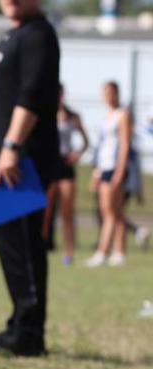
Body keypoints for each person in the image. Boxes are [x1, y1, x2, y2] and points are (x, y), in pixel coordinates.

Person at [0, 0, 59, 356]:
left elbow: (31, 96)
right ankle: (19, 324)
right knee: (7, 243)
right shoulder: (11, 36)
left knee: (24, 245)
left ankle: (30, 334)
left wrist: (12, 145)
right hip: (1, 155)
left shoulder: (39, 35)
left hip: (22, 158)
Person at [86, 81, 132, 267]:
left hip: (114, 167)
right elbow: (103, 147)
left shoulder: (123, 115)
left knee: (108, 212)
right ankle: (119, 252)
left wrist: (120, 171)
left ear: (117, 94)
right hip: (104, 167)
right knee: (117, 212)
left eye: (110, 93)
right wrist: (97, 172)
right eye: (105, 93)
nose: (108, 97)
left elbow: (125, 144)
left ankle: (102, 252)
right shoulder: (107, 117)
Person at [41, 84, 89, 265]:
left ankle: (68, 252)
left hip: (65, 165)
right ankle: (41, 248)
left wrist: (77, 154)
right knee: (45, 211)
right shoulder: (46, 114)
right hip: (49, 163)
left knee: (67, 212)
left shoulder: (73, 116)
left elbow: (86, 141)